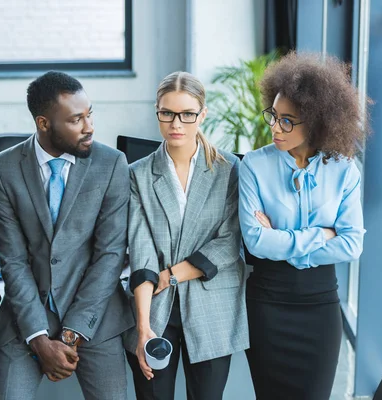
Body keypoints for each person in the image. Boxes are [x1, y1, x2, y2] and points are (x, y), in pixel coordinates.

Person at [0, 71, 133, 400]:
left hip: (94, 316)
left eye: (90, 114)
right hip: (27, 317)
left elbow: (111, 254)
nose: (89, 127)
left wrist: (72, 333)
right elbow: (11, 259)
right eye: (76, 119)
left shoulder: (111, 164)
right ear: (43, 123)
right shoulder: (4, 168)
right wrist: (38, 339)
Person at [239, 52, 368, 399]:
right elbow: (255, 242)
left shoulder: (343, 170)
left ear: (314, 122)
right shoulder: (253, 165)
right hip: (267, 307)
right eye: (274, 116)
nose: (274, 128)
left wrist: (283, 242)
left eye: (287, 121)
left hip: (319, 308)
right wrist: (320, 236)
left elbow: (352, 245)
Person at [123, 71, 249, 400]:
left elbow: (229, 242)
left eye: (187, 114)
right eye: (167, 113)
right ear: (157, 112)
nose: (176, 124)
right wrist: (142, 325)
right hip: (153, 305)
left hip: (213, 304)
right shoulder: (137, 174)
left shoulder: (229, 169)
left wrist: (172, 274)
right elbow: (141, 249)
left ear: (202, 114)